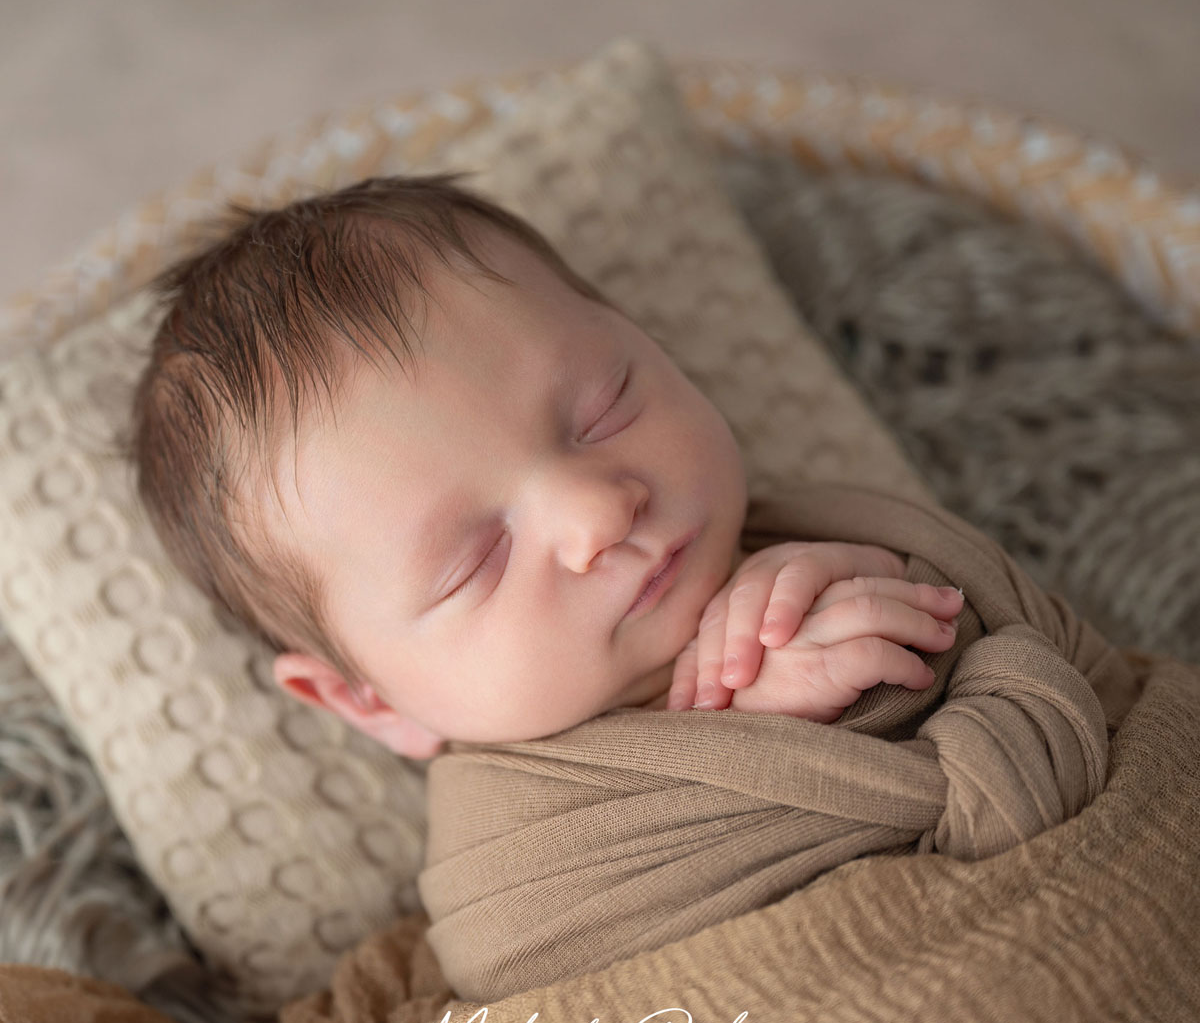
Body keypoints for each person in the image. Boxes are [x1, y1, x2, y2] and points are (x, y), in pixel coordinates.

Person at [128, 172, 964, 760]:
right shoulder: (511, 845)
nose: (597, 512)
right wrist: (758, 749)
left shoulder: (840, 539)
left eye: (605, 408)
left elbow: (1043, 666)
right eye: (475, 562)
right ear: (368, 700)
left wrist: (898, 605)